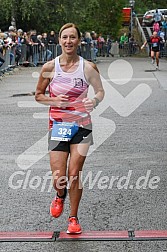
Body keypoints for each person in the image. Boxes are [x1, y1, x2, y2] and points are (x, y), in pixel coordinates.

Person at [35, 23, 104, 234]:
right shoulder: (49, 68)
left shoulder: (88, 68)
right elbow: (38, 95)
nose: (68, 41)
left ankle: (73, 218)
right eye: (65, 37)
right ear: (59, 41)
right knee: (59, 177)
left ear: (79, 40)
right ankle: (59, 195)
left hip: (81, 125)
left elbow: (100, 91)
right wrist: (55, 100)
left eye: (72, 37)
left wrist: (95, 101)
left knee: (74, 173)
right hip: (58, 126)